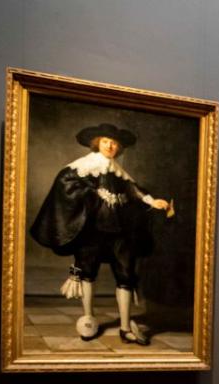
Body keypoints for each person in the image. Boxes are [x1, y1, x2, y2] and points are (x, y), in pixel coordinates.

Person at [30, 123, 173, 345]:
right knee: (88, 273)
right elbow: (65, 186)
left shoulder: (118, 171)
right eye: (106, 141)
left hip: (119, 233)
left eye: (115, 143)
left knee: (125, 275)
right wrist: (91, 194)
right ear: (97, 143)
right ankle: (88, 319)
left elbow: (133, 190)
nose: (111, 146)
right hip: (92, 231)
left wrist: (152, 201)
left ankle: (125, 328)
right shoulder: (82, 167)